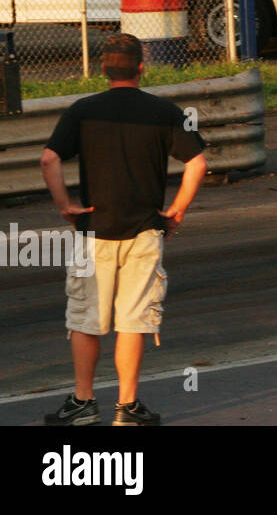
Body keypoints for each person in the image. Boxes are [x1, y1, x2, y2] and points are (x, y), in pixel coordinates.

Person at [40, 33, 207, 425]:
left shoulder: (83, 110)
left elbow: (49, 159)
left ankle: (83, 403)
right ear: (141, 69)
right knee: (133, 321)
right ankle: (127, 408)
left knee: (85, 319)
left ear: (103, 69)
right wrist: (176, 211)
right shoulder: (165, 110)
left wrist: (66, 207)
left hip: (93, 229)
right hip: (144, 230)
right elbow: (197, 162)